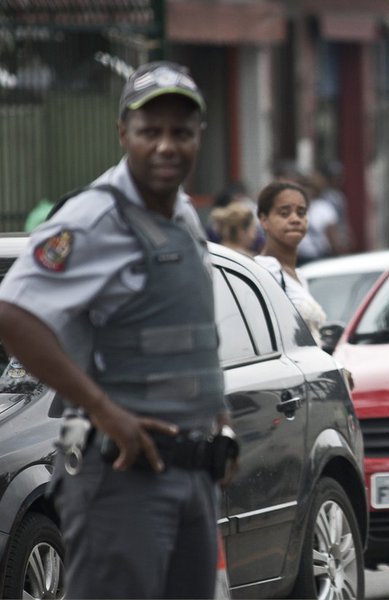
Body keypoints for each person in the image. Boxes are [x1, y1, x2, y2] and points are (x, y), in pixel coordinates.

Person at [0, 60, 236, 598]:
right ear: (122, 133)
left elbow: (191, 333)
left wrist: (218, 419)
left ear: (199, 136)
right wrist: (104, 410)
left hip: (194, 472)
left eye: (180, 132)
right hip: (122, 478)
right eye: (150, 131)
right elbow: (13, 312)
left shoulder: (182, 215)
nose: (166, 146)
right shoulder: (92, 218)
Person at [255, 181, 328, 345]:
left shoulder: (299, 275)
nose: (295, 219)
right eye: (284, 213)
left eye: (301, 212)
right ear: (264, 219)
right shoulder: (265, 270)